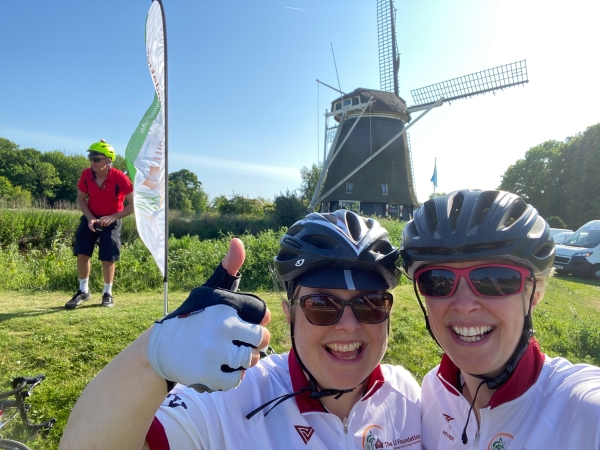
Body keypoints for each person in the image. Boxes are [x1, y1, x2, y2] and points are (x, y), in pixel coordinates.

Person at [60, 210, 422, 449]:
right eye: (322, 306)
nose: (349, 325)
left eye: (371, 304)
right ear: (290, 314)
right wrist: (152, 356)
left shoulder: (407, 394)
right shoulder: (232, 398)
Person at [400, 189, 600, 449]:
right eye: (438, 281)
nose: (464, 306)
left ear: (536, 293)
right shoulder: (433, 392)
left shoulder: (581, 411)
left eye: (494, 280)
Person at [65, 139, 134, 309]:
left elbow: (134, 204)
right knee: (82, 253)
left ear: (108, 160)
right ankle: (83, 291)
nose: (92, 162)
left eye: (96, 159)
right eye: (90, 158)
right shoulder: (86, 174)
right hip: (91, 217)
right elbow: (81, 199)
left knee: (108, 257)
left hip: (112, 219)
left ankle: (107, 293)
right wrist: (90, 218)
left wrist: (113, 217)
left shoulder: (119, 177)